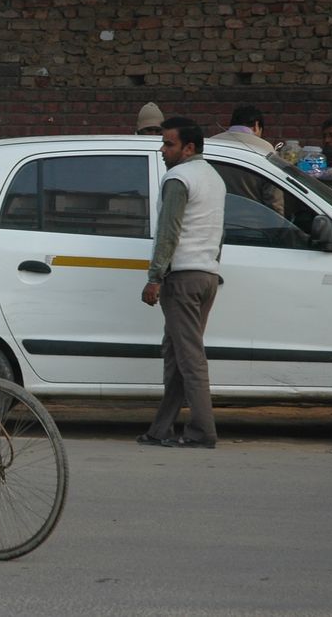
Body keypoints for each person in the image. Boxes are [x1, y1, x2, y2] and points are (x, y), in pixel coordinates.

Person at [137, 117, 225, 450]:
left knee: (189, 357)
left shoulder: (178, 178)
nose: (162, 150)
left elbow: (168, 233)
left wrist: (155, 277)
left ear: (189, 148)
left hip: (183, 278)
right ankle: (161, 429)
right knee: (176, 353)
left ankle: (203, 431)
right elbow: (219, 233)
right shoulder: (214, 178)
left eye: (169, 144)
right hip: (206, 275)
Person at [211, 105, 284, 215]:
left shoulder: (212, 143)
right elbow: (273, 197)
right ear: (256, 125)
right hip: (251, 224)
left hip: (214, 220)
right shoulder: (264, 148)